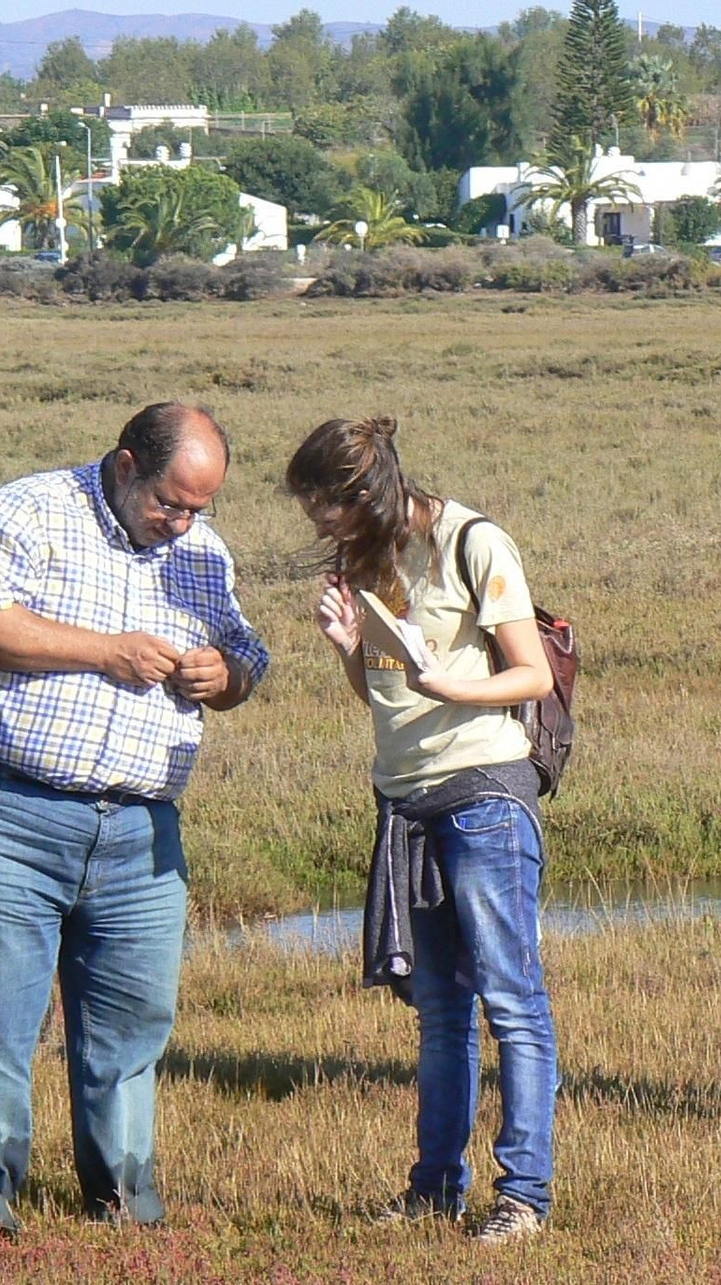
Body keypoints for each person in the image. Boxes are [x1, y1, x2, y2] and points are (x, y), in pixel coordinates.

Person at [0, 402, 269, 1236]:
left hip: (140, 832)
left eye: (200, 507)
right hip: (8, 810)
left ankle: (123, 1198)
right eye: (171, 503)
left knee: (133, 1023)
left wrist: (222, 674)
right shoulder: (25, 512)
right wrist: (106, 649)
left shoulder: (202, 554)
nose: (183, 522)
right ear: (125, 466)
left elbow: (250, 658)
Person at [285, 415, 557, 1244]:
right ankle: (435, 1186)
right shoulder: (366, 561)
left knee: (511, 1000)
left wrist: (446, 682)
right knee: (440, 1010)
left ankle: (525, 1196)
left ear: (362, 495)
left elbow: (532, 672)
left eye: (325, 512)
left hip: (483, 792)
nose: (319, 529)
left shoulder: (474, 541)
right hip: (404, 801)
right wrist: (345, 648)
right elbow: (385, 696)